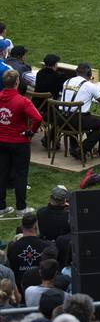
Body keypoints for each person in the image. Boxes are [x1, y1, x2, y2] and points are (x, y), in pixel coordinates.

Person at [0, 69, 41, 215]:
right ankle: (21, 208)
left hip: (1, 141)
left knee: (2, 173)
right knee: (20, 175)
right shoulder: (23, 101)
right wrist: (31, 132)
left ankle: (1, 207)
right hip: (19, 142)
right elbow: (38, 118)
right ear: (17, 83)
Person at [58, 63, 100, 159]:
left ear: (76, 72)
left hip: (62, 119)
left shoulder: (67, 81)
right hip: (77, 121)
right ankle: (82, 149)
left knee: (76, 116)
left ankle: (73, 147)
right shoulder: (89, 86)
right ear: (90, 74)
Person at [7, 213, 47, 292]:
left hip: (19, 288)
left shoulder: (12, 247)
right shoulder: (45, 246)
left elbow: (11, 267)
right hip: (41, 289)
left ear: (22, 227)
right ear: (35, 226)